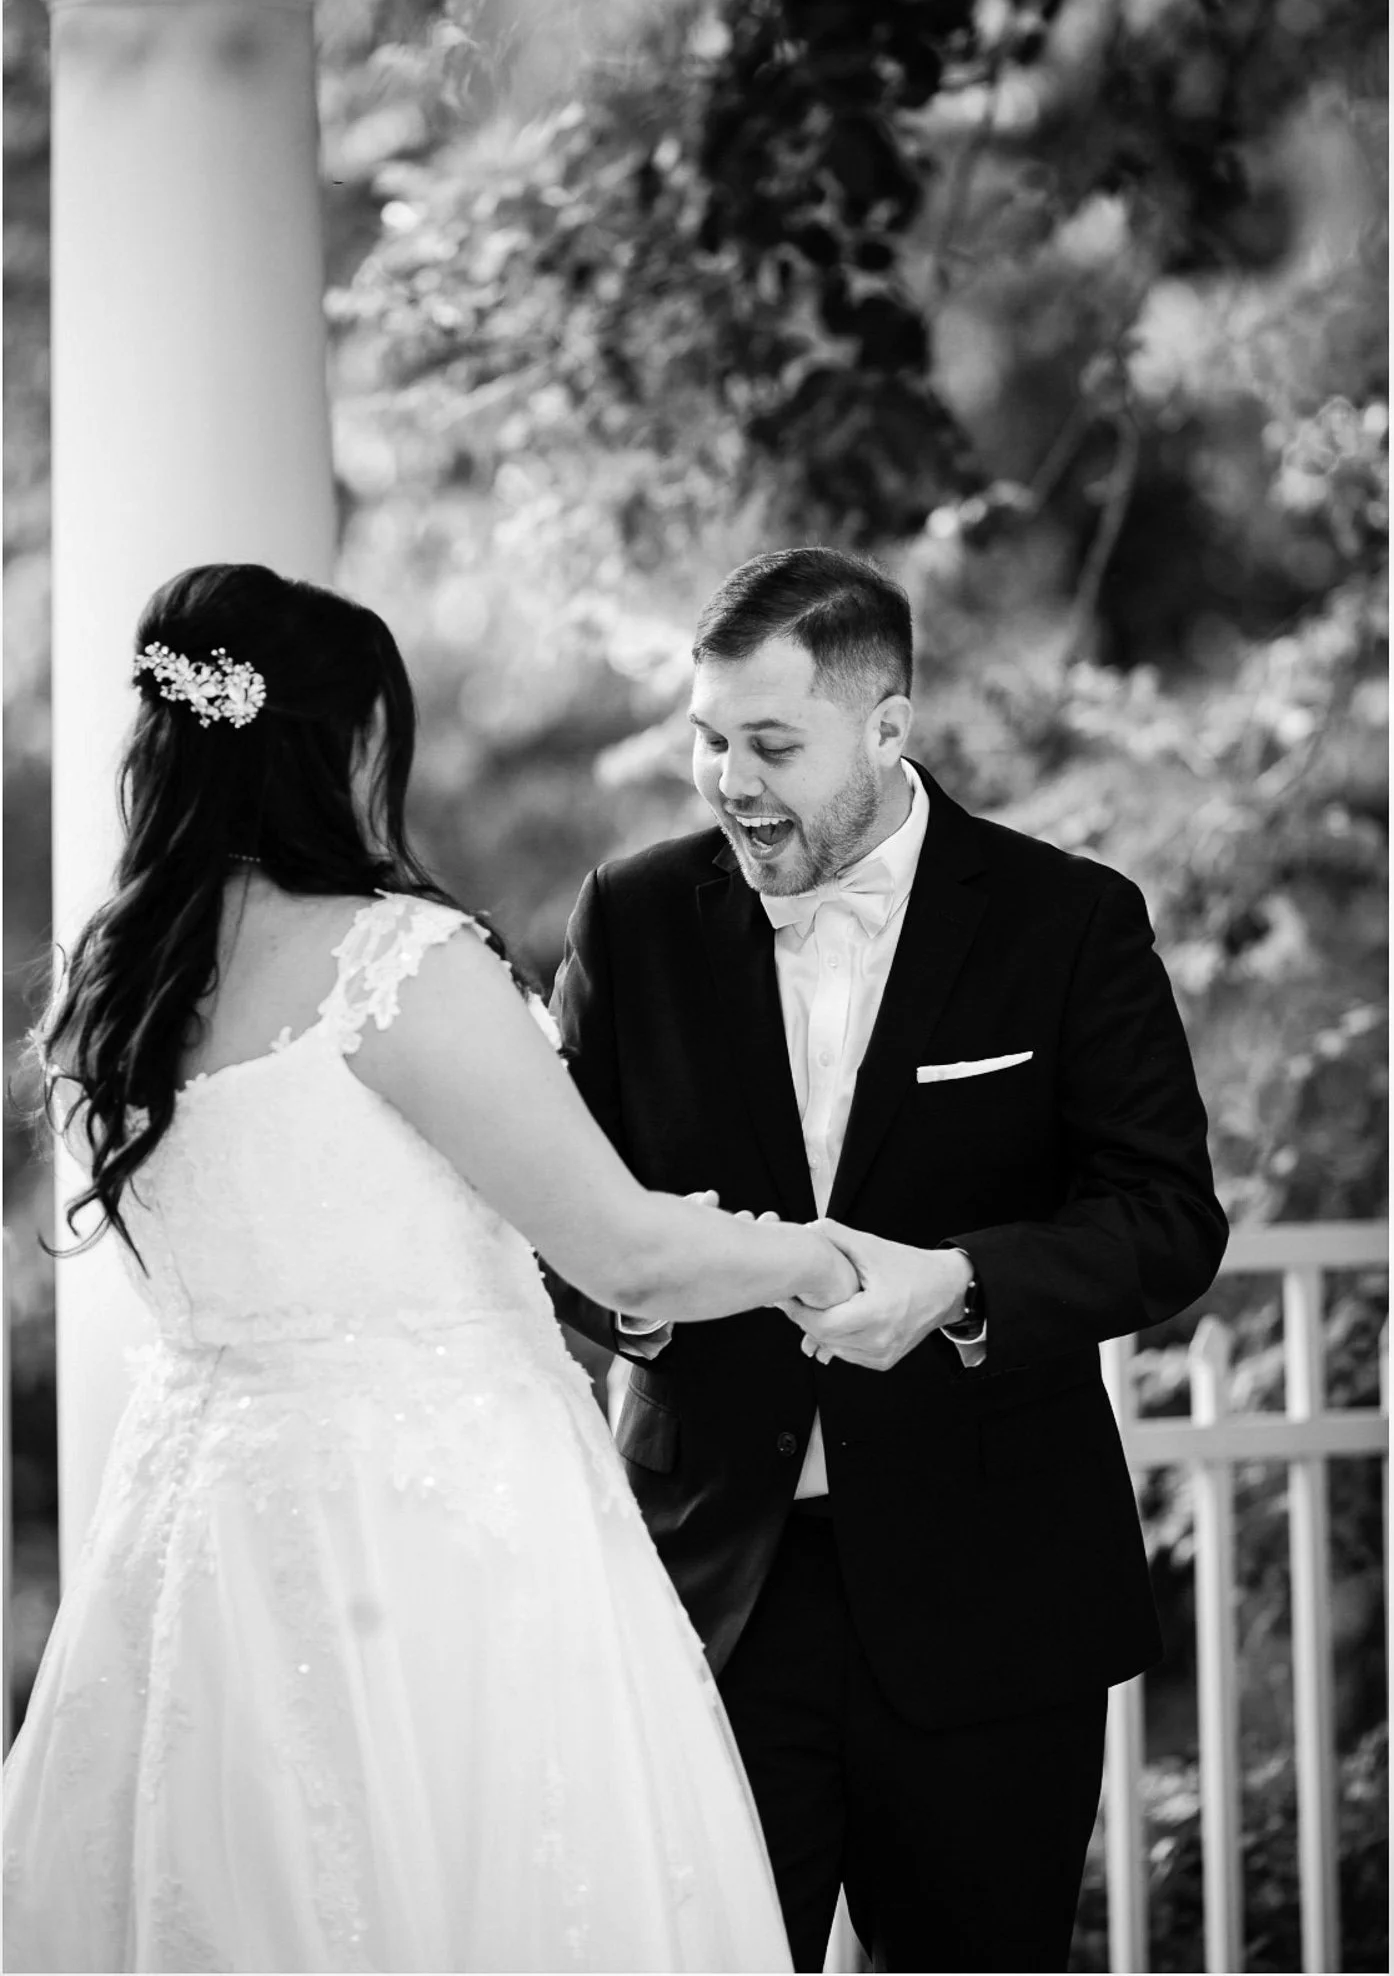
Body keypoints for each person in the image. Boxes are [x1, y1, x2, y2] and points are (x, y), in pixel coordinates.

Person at [3, 560, 863, 1975]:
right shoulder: (389, 960)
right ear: (346, 747)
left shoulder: (107, 992)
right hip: (441, 1532)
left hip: (205, 1535)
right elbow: (620, 1247)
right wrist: (816, 1256)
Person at [546, 546, 1229, 1974]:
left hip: (994, 1596)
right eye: (708, 739)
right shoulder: (632, 916)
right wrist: (643, 1293)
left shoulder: (1066, 920)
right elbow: (551, 1214)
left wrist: (961, 1284)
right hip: (712, 1597)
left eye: (772, 745)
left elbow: (1167, 1218)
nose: (729, 781)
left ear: (887, 727)